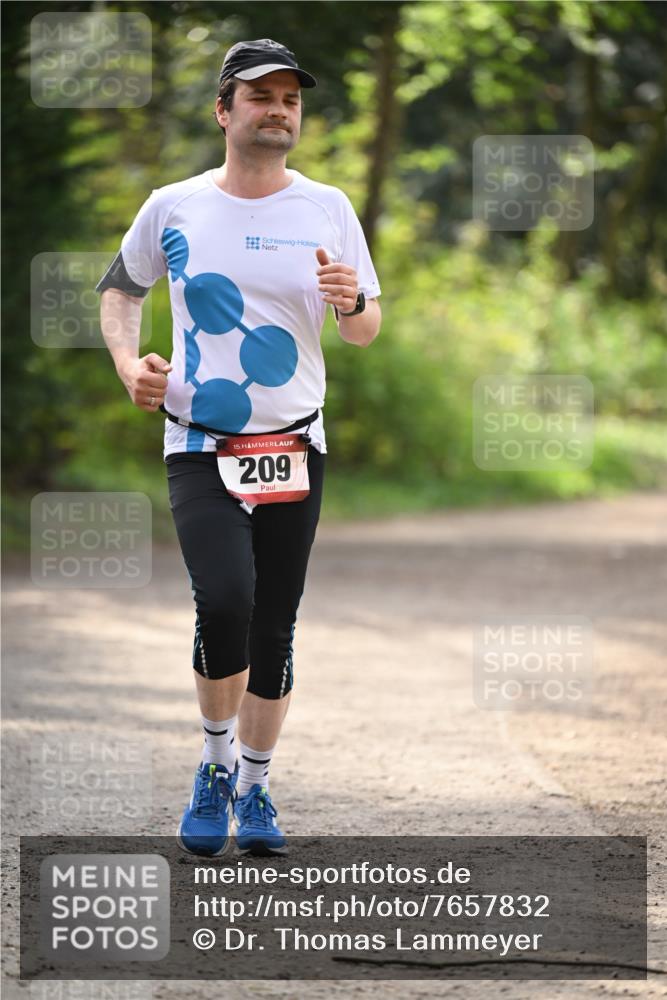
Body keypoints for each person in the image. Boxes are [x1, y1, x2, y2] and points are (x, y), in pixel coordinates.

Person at [96, 38, 381, 857]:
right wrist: (127, 363)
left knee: (274, 626)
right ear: (225, 111)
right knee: (225, 598)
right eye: (261, 96)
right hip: (199, 440)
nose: (279, 109)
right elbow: (120, 287)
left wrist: (352, 297)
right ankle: (215, 767)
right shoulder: (174, 204)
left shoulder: (326, 206)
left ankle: (254, 786)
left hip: (294, 442)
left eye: (290, 98)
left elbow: (363, 330)